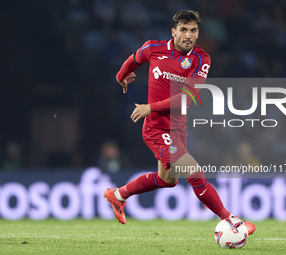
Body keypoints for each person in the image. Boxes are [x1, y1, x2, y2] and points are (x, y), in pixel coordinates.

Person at [104, 10, 256, 234]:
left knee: (167, 180)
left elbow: (187, 97)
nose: (188, 35)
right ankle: (231, 220)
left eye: (193, 31)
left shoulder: (201, 58)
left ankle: (117, 195)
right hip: (156, 128)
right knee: (195, 172)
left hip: (177, 126)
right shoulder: (153, 49)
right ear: (173, 31)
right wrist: (120, 77)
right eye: (183, 30)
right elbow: (133, 59)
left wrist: (150, 106)